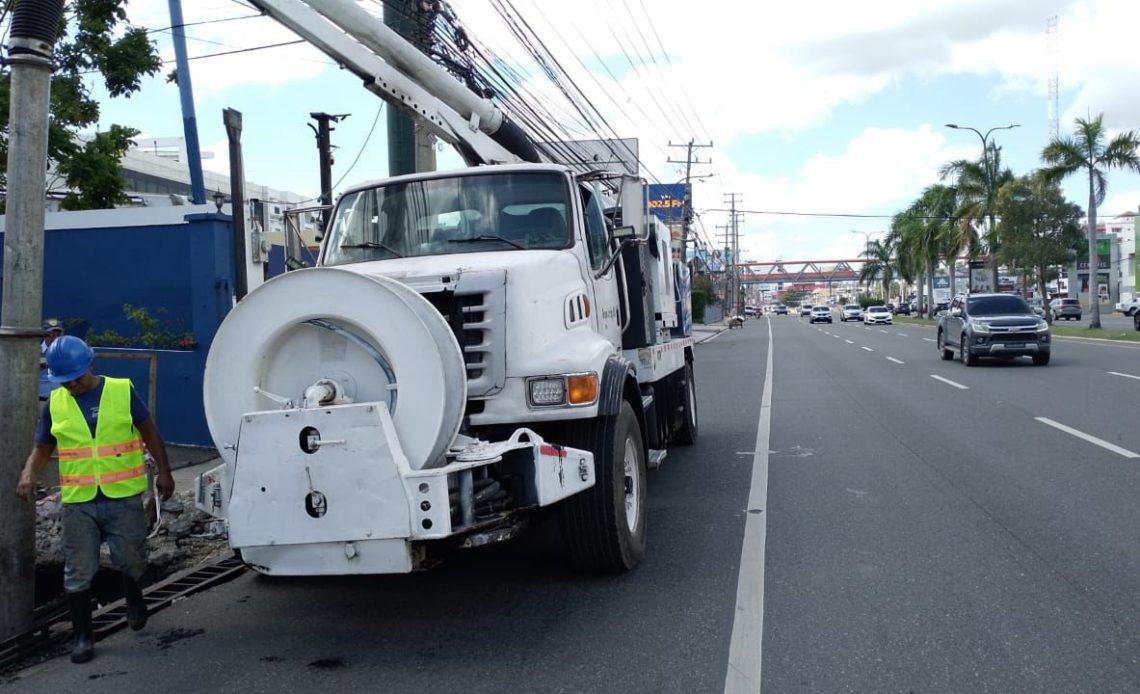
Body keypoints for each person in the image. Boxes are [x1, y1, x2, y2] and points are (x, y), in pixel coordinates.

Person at [15, 336, 175, 664]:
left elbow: (149, 432)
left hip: (122, 494)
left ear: (90, 364)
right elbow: (43, 447)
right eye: (66, 379)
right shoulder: (56, 403)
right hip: (79, 499)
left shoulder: (120, 390)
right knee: (78, 568)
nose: (73, 384)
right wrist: (28, 473)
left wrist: (164, 472)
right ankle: (83, 637)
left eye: (77, 376)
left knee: (131, 558)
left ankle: (134, 597)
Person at [39, 319, 65, 400]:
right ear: (44, 335)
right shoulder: (34, 350)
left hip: (61, 398)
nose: (55, 338)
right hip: (40, 398)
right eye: (51, 334)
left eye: (58, 335)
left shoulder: (67, 351)